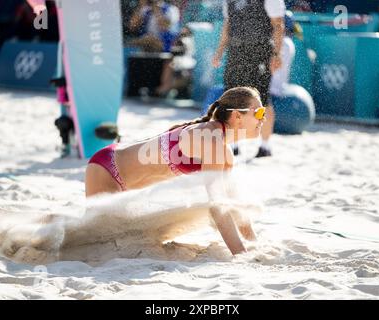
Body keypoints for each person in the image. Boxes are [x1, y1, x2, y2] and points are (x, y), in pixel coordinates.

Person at [85, 87, 266, 255]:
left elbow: (232, 203)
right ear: (237, 116)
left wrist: (254, 245)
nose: (263, 118)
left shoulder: (224, 151)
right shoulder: (212, 142)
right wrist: (241, 254)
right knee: (90, 242)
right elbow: (218, 207)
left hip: (127, 188)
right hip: (107, 169)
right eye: (258, 112)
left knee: (124, 241)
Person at [212, 0, 286, 158]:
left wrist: (276, 54)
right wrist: (219, 52)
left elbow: (278, 25)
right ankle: (234, 144)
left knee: (262, 101)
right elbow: (228, 25)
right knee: (231, 100)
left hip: (260, 52)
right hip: (236, 52)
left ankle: (264, 146)